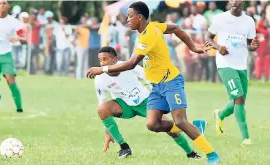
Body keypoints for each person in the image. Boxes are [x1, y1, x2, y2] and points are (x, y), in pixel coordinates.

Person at [87, 1, 219, 164]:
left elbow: (131, 63)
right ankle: (196, 128)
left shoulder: (148, 35)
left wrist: (102, 69)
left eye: (130, 16)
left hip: (171, 81)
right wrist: (193, 47)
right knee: (152, 124)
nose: (127, 19)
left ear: (140, 17)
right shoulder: (153, 27)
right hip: (157, 86)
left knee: (180, 121)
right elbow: (176, 29)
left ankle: (212, 155)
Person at [95, 46, 207, 159]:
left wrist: (160, 97)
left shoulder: (129, 66)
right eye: (100, 60)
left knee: (169, 127)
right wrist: (107, 130)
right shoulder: (99, 79)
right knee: (102, 109)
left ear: (114, 59)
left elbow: (149, 78)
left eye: (105, 59)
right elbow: (102, 104)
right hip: (124, 106)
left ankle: (191, 153)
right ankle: (124, 147)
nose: (102, 63)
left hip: (146, 101)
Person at [205, 0, 260, 145]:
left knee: (238, 100)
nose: (234, 1)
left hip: (241, 64)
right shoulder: (220, 18)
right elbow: (208, 37)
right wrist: (218, 47)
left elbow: (249, 43)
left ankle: (220, 114)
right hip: (225, 64)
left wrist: (253, 46)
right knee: (239, 98)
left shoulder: (249, 21)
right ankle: (246, 138)